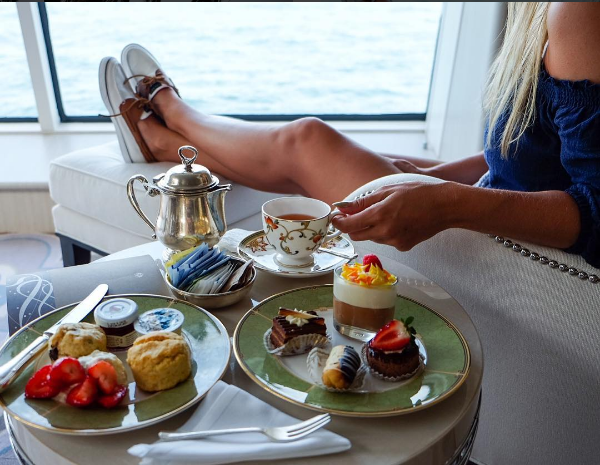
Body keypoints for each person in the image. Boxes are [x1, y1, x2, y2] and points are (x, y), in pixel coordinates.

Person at [101, 2, 600, 268]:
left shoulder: (581, 11)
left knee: (307, 142)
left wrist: (448, 201)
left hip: (516, 255)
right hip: (503, 200)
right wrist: (438, 175)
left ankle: (171, 117)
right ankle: (166, 141)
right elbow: (535, 150)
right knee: (379, 161)